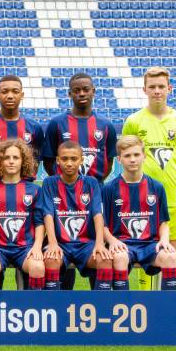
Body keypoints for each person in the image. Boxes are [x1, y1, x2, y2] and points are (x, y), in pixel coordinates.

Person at [41, 72, 116, 290]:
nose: (81, 93)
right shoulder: (57, 124)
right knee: (62, 257)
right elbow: (48, 162)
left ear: (93, 91)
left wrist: (90, 180)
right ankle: (61, 307)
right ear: (69, 93)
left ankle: (98, 305)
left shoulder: (106, 126)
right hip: (62, 195)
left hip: (93, 193)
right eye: (77, 90)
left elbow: (108, 162)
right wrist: (65, 181)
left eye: (86, 89)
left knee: (96, 249)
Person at [122, 66, 176, 289]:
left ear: (169, 89)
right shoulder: (134, 121)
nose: (157, 91)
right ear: (144, 90)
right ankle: (145, 299)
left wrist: (170, 181)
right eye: (152, 87)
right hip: (141, 199)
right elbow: (126, 153)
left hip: (173, 196)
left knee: (170, 252)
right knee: (144, 251)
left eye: (161, 86)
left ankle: (166, 303)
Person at [102, 135, 176, 290]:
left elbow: (163, 222)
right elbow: (102, 225)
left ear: (144, 156)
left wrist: (164, 240)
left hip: (150, 245)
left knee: (171, 257)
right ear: (119, 159)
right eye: (127, 155)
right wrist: (112, 241)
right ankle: (123, 307)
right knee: (119, 257)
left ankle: (169, 308)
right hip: (122, 244)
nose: (132, 159)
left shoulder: (157, 187)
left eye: (136, 155)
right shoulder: (109, 188)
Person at [39, 141, 112, 290]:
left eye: (74, 158)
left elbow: (98, 214)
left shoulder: (91, 183)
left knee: (104, 260)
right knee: (51, 259)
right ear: (58, 160)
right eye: (64, 159)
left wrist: (99, 243)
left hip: (86, 244)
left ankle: (102, 308)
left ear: (81, 160)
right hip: (60, 244)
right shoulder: (49, 183)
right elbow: (48, 215)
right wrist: (52, 242)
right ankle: (53, 309)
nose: (69, 163)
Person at [0, 139, 46, 290]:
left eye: (15, 158)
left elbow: (39, 223)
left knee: (37, 267)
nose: (11, 161)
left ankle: (32, 309)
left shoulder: (35, 190)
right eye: (6, 158)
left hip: (25, 247)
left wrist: (36, 247)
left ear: (23, 161)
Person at [0, 75, 44, 185]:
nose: (10, 96)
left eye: (15, 91)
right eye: (5, 91)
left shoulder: (34, 127)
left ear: (22, 95)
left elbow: (35, 160)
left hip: (24, 194)